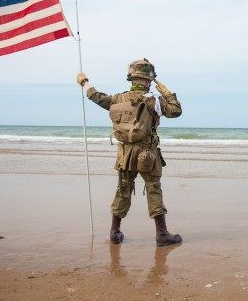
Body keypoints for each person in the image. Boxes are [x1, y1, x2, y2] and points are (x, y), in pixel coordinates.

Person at [76, 58, 183, 246]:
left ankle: (114, 232)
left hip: (125, 155)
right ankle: (162, 234)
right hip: (147, 155)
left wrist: (85, 83)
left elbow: (97, 97)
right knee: (153, 189)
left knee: (123, 189)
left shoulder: (119, 99)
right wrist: (165, 90)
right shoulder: (153, 100)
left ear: (132, 78)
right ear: (148, 79)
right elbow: (176, 111)